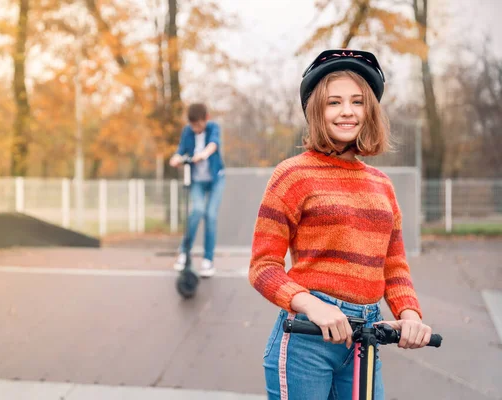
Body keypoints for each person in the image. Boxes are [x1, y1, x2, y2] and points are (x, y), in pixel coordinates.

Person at [248, 49, 433, 399]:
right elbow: (263, 267)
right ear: (317, 111)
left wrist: (409, 315)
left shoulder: (382, 185)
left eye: (357, 102)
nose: (347, 111)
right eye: (334, 102)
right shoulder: (292, 175)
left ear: (370, 111)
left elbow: (393, 267)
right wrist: (314, 306)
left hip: (367, 338)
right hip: (308, 338)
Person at [170, 103, 225, 277]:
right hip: (197, 181)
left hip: (216, 179)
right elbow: (181, 150)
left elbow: (213, 144)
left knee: (210, 215)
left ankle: (208, 260)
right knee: (197, 210)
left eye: (198, 125)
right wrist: (176, 158)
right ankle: (184, 252)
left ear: (206, 119)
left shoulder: (213, 127)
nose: (195, 129)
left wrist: (203, 154)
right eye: (193, 125)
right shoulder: (187, 131)